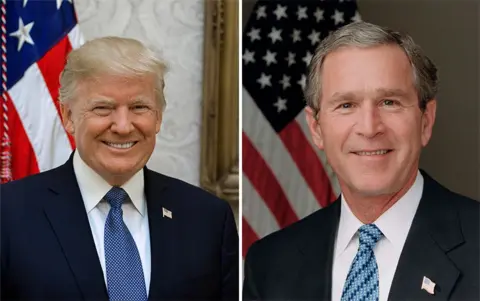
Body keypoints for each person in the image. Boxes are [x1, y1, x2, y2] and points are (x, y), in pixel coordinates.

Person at [243, 21, 479, 301]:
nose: (369, 128)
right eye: (346, 105)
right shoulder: (269, 265)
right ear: (316, 128)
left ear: (425, 120)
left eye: (389, 102)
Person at [1, 36, 239, 301]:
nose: (123, 126)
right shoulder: (8, 214)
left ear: (158, 116)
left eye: (139, 107)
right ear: (68, 116)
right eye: (103, 108)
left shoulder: (208, 219)